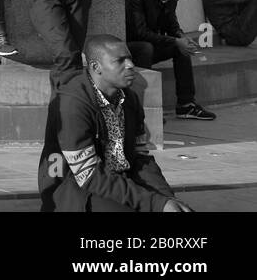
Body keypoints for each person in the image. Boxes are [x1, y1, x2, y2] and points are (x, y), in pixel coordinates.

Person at [46, 35, 191, 212]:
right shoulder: (72, 103)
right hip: (78, 190)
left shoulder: (129, 98)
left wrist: (166, 198)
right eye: (120, 61)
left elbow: (141, 158)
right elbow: (88, 175)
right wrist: (155, 204)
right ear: (95, 67)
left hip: (119, 181)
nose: (130, 65)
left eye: (130, 58)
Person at [125, 0, 215, 121]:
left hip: (151, 46)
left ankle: (186, 105)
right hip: (130, 50)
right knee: (146, 48)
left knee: (181, 49)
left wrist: (182, 38)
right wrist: (175, 40)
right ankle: (144, 109)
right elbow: (139, 33)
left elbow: (172, 25)